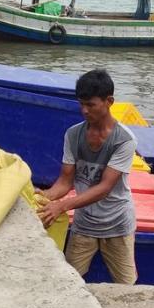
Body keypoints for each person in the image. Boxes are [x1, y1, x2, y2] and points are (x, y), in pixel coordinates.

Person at [37, 70, 138, 285]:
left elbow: (105, 187)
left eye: (90, 105)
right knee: (68, 282)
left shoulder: (124, 140)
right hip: (84, 224)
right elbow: (65, 181)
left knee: (127, 287)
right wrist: (45, 196)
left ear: (109, 101)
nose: (84, 110)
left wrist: (62, 206)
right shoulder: (73, 135)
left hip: (117, 224)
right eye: (81, 104)